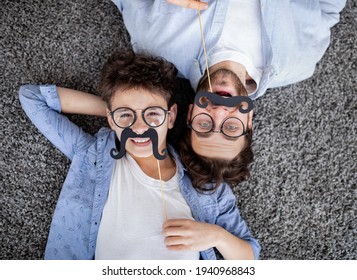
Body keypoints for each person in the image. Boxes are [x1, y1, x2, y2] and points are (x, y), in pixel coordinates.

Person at [19, 49, 260, 260]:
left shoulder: (207, 187)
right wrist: (115, 115)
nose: (139, 127)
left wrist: (217, 236)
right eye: (126, 116)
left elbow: (249, 258)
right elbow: (32, 97)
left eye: (153, 114)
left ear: (172, 116)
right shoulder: (93, 157)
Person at [110, 0, 346, 188]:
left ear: (191, 114)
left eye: (204, 124)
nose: (220, 111)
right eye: (231, 128)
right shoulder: (299, 62)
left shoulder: (155, 45)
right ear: (249, 122)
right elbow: (329, 7)